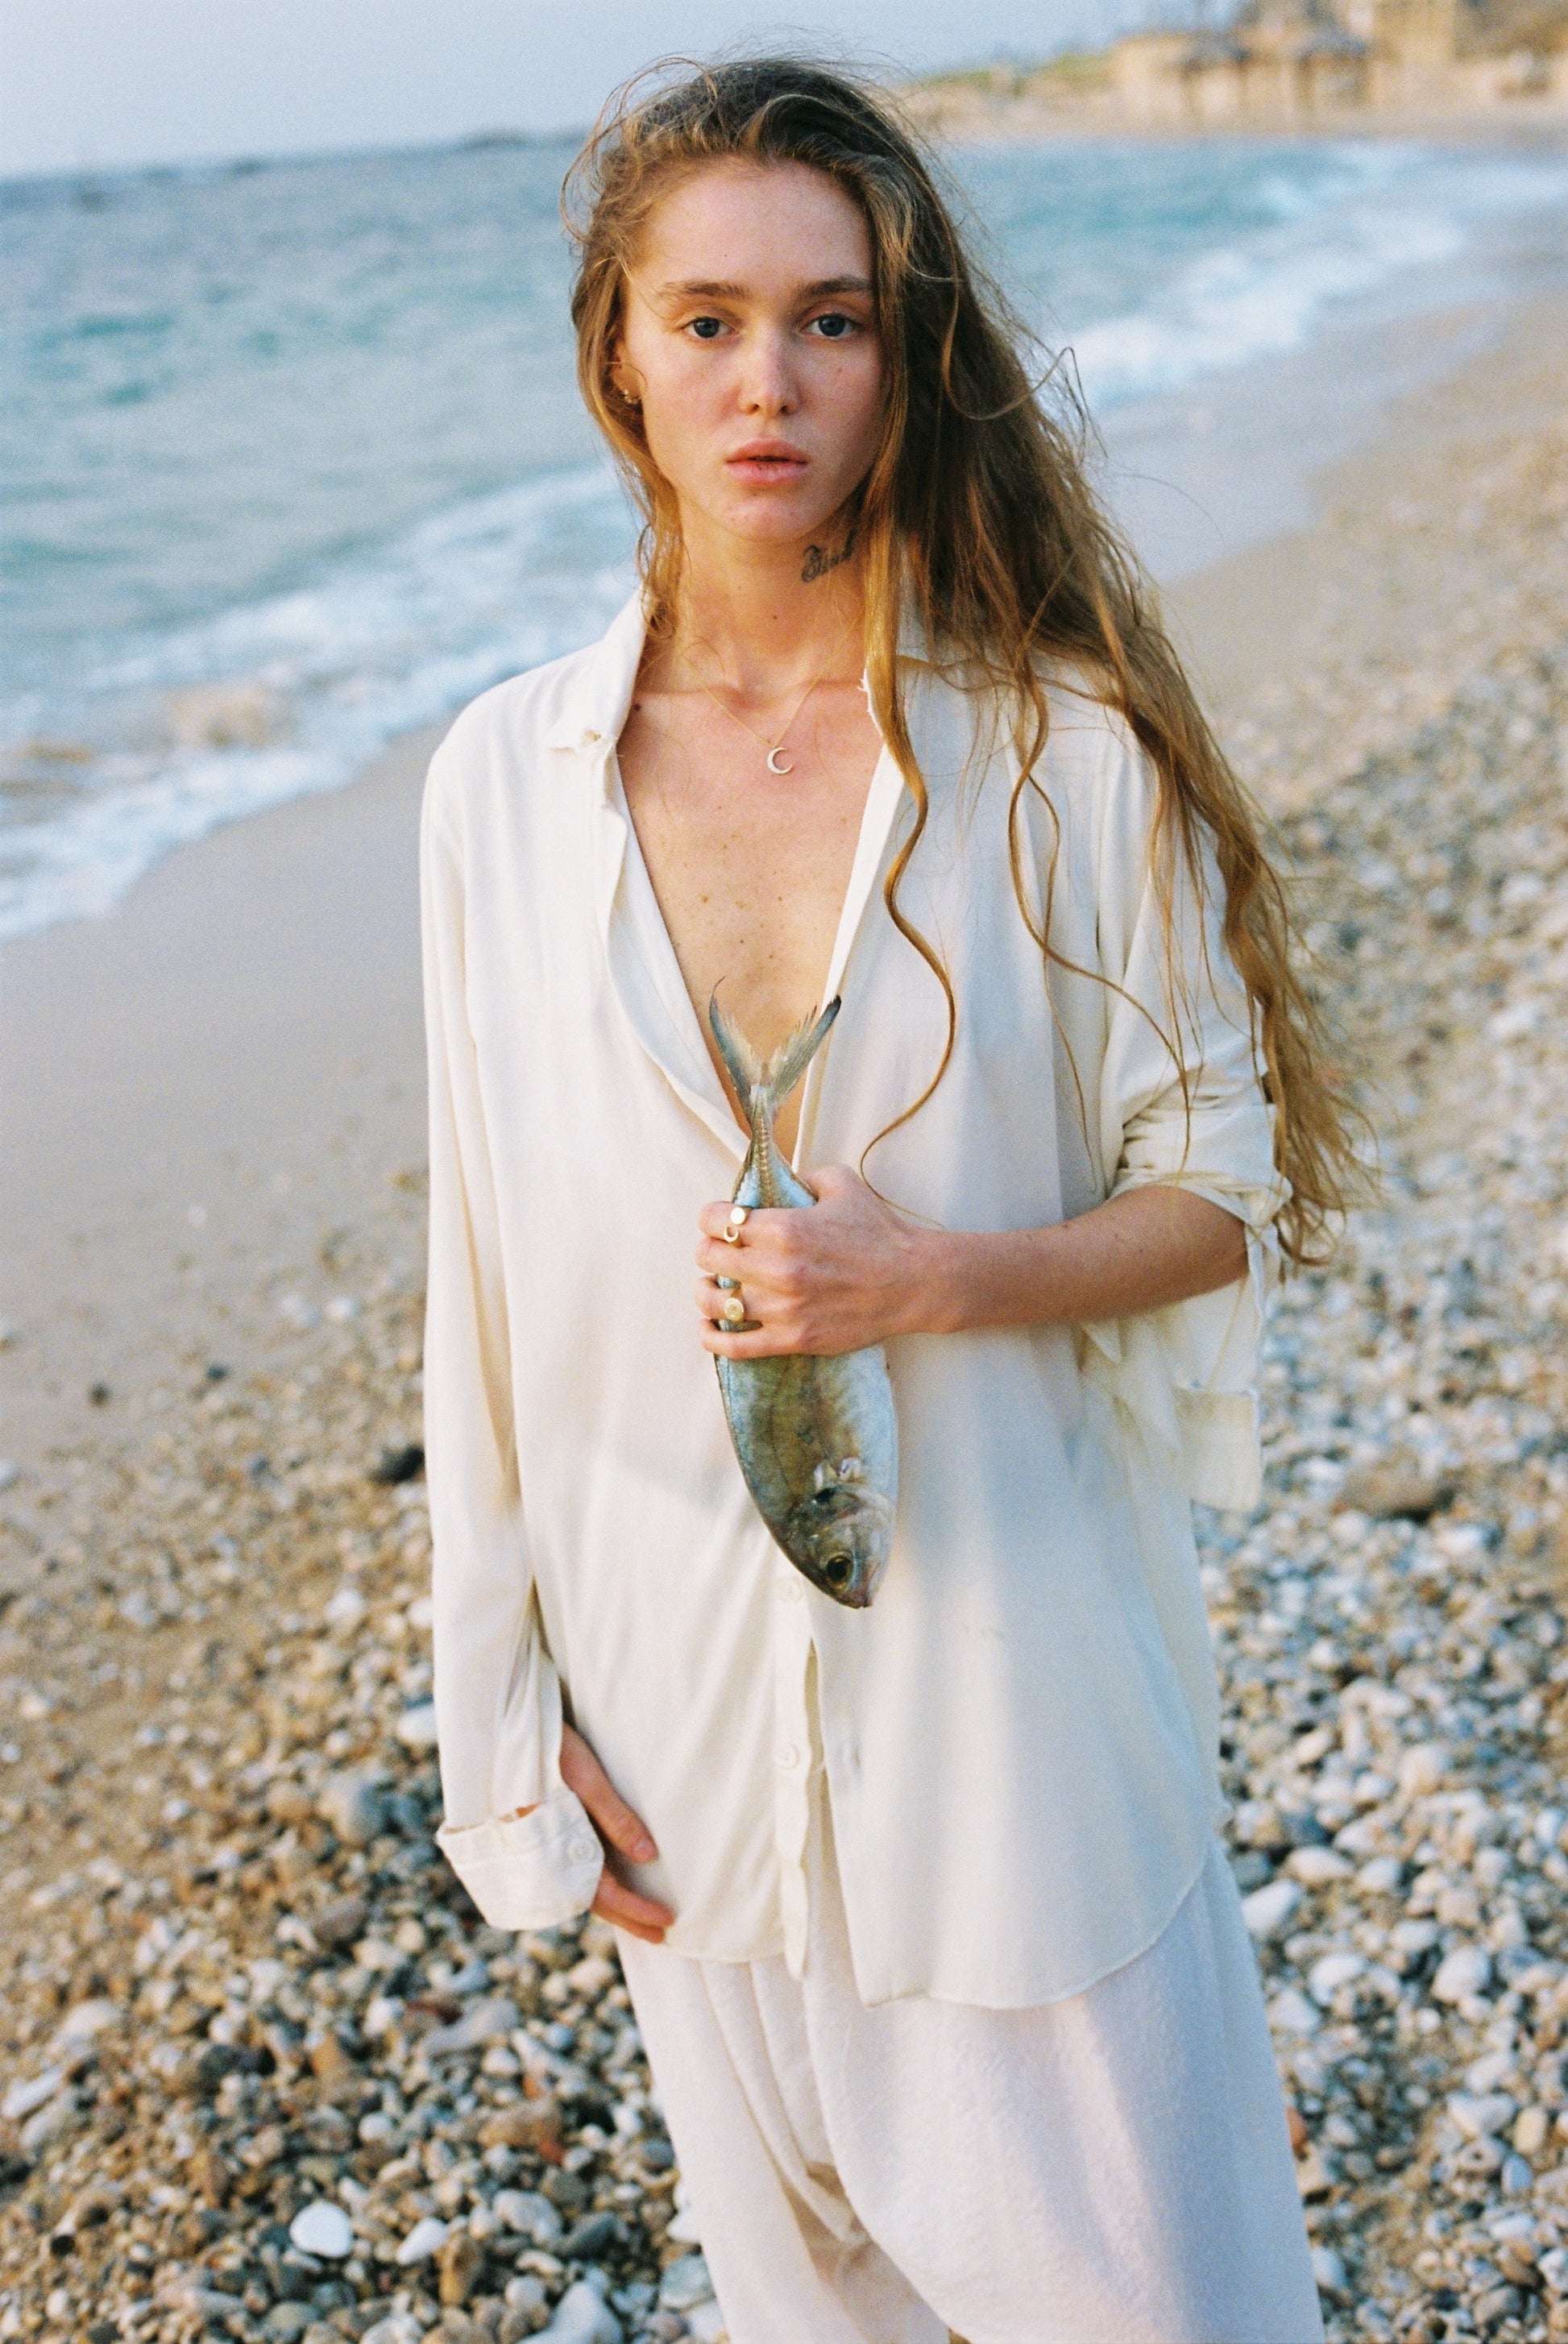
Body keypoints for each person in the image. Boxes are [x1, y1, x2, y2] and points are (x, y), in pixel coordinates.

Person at [419, 56, 1354, 2344]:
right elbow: (483, 1291)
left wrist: (931, 1277)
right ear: (617, 354)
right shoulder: (501, 787)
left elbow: (1220, 1190)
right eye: (708, 319)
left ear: (903, 355)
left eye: (828, 320)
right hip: (679, 1749)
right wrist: (498, 1730)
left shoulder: (1054, 756)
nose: (768, 382)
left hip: (1014, 1733)